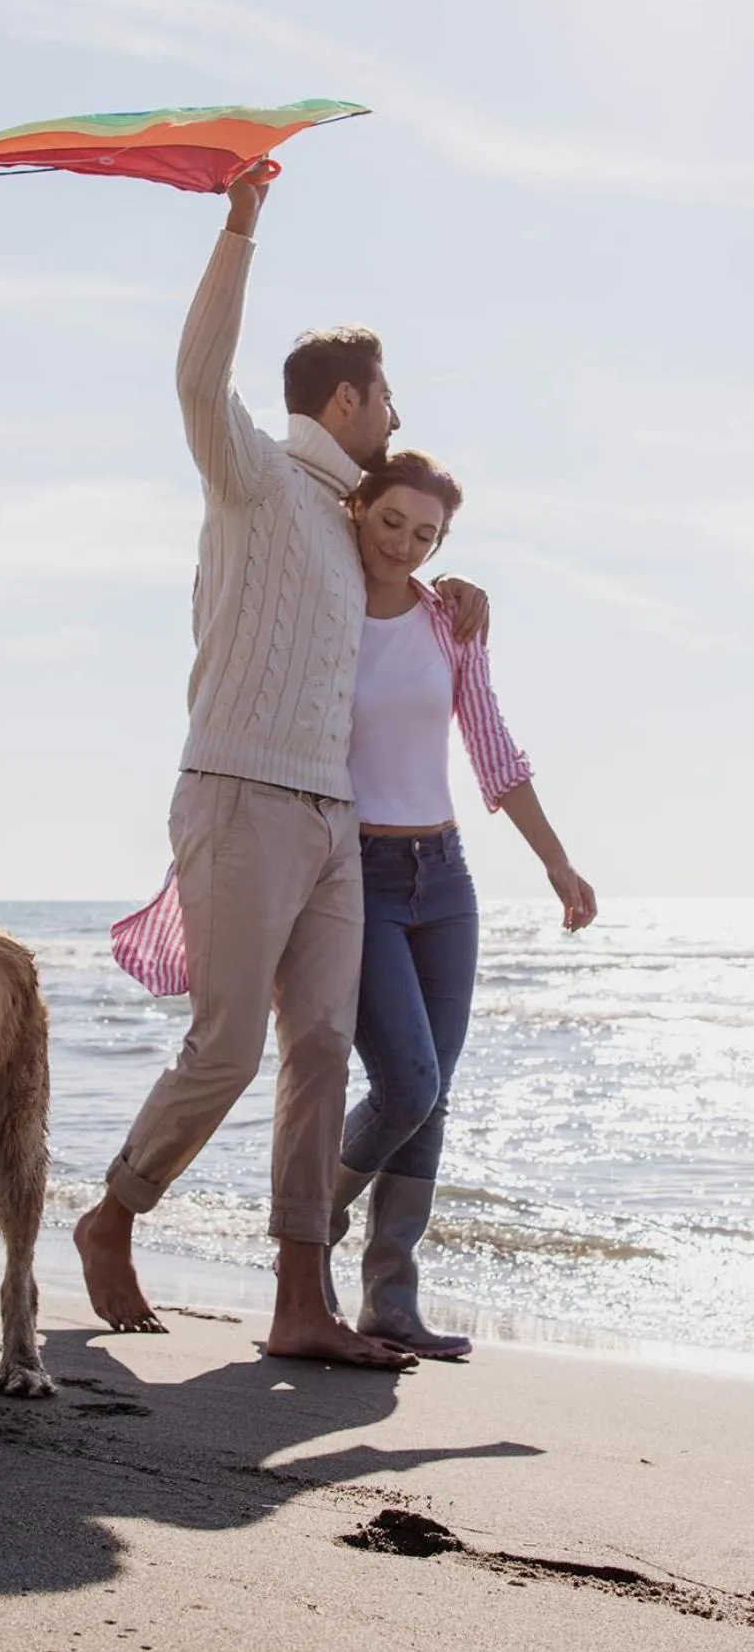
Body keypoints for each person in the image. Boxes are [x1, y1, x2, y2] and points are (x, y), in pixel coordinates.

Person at [76, 166, 486, 1368]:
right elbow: (197, 379)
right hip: (240, 796)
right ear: (346, 398)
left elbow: (406, 594)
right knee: (229, 1049)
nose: (396, 419)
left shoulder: (358, 528)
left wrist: (458, 594)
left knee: (317, 1051)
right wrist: (240, 227)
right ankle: (115, 1212)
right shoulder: (251, 475)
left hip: (333, 822)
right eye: (387, 400)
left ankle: (301, 1303)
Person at [327, 449, 595, 1357]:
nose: (403, 544)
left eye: (425, 534)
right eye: (391, 521)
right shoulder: (322, 605)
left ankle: (390, 1301)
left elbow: (493, 748)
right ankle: (308, 1230)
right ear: (357, 508)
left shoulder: (450, 621)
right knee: (408, 1082)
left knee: (432, 1097)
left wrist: (557, 861)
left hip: (443, 879)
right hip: (356, 875)